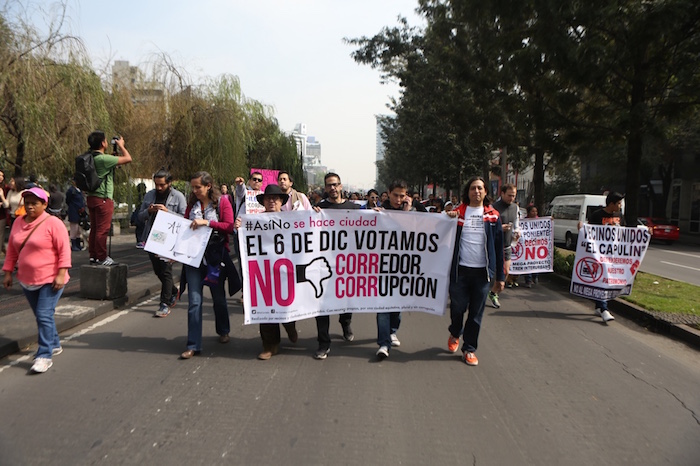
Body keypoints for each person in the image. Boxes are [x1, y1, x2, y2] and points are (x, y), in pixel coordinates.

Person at [2, 187, 72, 373]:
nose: (30, 207)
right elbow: (12, 251)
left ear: (44, 204)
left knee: (43, 314)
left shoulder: (53, 224)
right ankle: (54, 343)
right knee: (43, 315)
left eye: (35, 203)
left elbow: (64, 250)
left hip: (51, 279)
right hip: (27, 279)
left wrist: (61, 273)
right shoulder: (18, 222)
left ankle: (44, 355)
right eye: (27, 203)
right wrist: (8, 272)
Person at [235, 184, 299, 360]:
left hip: (285, 270)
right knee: (265, 307)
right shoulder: (253, 220)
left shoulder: (292, 219)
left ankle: (290, 326)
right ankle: (270, 345)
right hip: (263, 272)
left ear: (281, 201)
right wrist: (240, 227)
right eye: (268, 198)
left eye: (276, 198)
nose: (272, 201)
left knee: (286, 305)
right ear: (263, 201)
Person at [446, 177, 505, 366]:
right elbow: (437, 227)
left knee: (476, 314)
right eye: (473, 188)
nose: (476, 191)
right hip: (460, 272)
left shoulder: (493, 216)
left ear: (486, 192)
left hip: (482, 274)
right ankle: (455, 332)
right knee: (457, 308)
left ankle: (469, 349)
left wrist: (500, 277)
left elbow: (498, 247)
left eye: (480, 188)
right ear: (468, 191)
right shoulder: (457, 213)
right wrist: (446, 217)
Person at [180, 172, 236, 359]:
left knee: (218, 297)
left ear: (208, 186)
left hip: (214, 258)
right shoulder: (191, 205)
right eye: (193, 187)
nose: (195, 191)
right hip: (193, 258)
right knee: (194, 301)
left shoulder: (222, 202)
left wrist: (208, 223)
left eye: (198, 187)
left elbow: (229, 226)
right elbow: (184, 228)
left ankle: (223, 329)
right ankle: (193, 344)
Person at [312, 172, 360, 359]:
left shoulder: (354, 209)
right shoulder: (319, 209)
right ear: (325, 188)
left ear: (341, 187)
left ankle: (345, 322)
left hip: (347, 265)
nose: (332, 188)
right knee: (321, 305)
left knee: (346, 301)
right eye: (329, 185)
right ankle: (323, 343)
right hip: (324, 264)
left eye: (335, 184)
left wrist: (377, 215)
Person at [137, 169, 187, 317]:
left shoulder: (178, 197)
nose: (159, 188)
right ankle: (173, 290)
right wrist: (149, 211)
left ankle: (164, 303)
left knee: (166, 271)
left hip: (169, 238)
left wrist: (167, 212)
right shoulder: (149, 195)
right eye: (156, 184)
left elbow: (185, 219)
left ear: (169, 183)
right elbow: (139, 217)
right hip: (152, 237)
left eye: (162, 185)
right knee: (158, 270)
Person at [375, 180, 414, 359]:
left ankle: (392, 331)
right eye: (395, 195)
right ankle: (384, 343)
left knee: (397, 304)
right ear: (388, 193)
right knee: (383, 305)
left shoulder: (412, 212)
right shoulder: (377, 212)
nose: (398, 199)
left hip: (402, 266)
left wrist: (407, 213)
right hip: (381, 265)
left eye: (402, 195)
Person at [85, 131, 133, 265]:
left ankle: (93, 256)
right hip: (104, 198)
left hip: (92, 197)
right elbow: (128, 158)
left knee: (95, 228)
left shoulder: (91, 157)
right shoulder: (103, 159)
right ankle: (102, 257)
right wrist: (121, 145)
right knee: (102, 229)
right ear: (103, 143)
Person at [587, 192, 625, 323]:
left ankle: (599, 307)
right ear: (611, 204)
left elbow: (625, 232)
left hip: (613, 255)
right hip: (599, 254)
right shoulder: (597, 215)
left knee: (607, 280)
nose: (620, 206)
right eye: (618, 203)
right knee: (603, 279)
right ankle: (604, 309)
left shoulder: (619, 216)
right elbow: (589, 231)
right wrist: (582, 228)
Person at [488, 183, 520, 307]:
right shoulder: (492, 207)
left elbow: (517, 223)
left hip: (506, 245)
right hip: (492, 245)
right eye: (509, 195)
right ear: (502, 194)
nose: (511, 198)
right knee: (486, 273)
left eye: (514, 196)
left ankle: (493, 292)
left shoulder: (515, 208)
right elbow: (487, 227)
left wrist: (517, 232)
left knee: (505, 272)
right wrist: (499, 228)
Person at [65, 180, 86, 251]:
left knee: (78, 230)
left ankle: (78, 244)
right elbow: (67, 200)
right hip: (73, 211)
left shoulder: (79, 190)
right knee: (74, 228)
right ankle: (74, 245)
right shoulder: (71, 190)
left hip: (80, 212)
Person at [523, 205, 539, 288]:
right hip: (527, 245)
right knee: (528, 262)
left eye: (536, 211)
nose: (534, 213)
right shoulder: (524, 221)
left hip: (536, 245)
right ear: (529, 212)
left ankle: (535, 276)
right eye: (533, 211)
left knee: (535, 261)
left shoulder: (540, 221)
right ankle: (528, 280)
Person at [0, 169, 8, 254]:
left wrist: (2, 202)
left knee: (0, 236)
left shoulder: (6, 188)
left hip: (1, 215)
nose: (0, 177)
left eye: (2, 175)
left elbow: (8, 202)